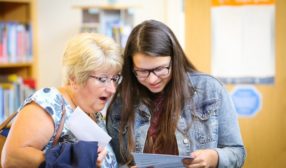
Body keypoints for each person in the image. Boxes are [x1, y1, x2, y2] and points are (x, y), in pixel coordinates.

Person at [106, 20, 246, 168]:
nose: (152, 79)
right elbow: (113, 161)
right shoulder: (123, 98)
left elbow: (237, 152)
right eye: (142, 71)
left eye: (160, 69)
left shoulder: (209, 90)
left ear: (175, 60)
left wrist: (214, 157)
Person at [1, 33, 122, 168]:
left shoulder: (93, 111)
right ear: (74, 78)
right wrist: (72, 158)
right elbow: (11, 158)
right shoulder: (50, 102)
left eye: (114, 78)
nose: (112, 89)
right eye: (103, 79)